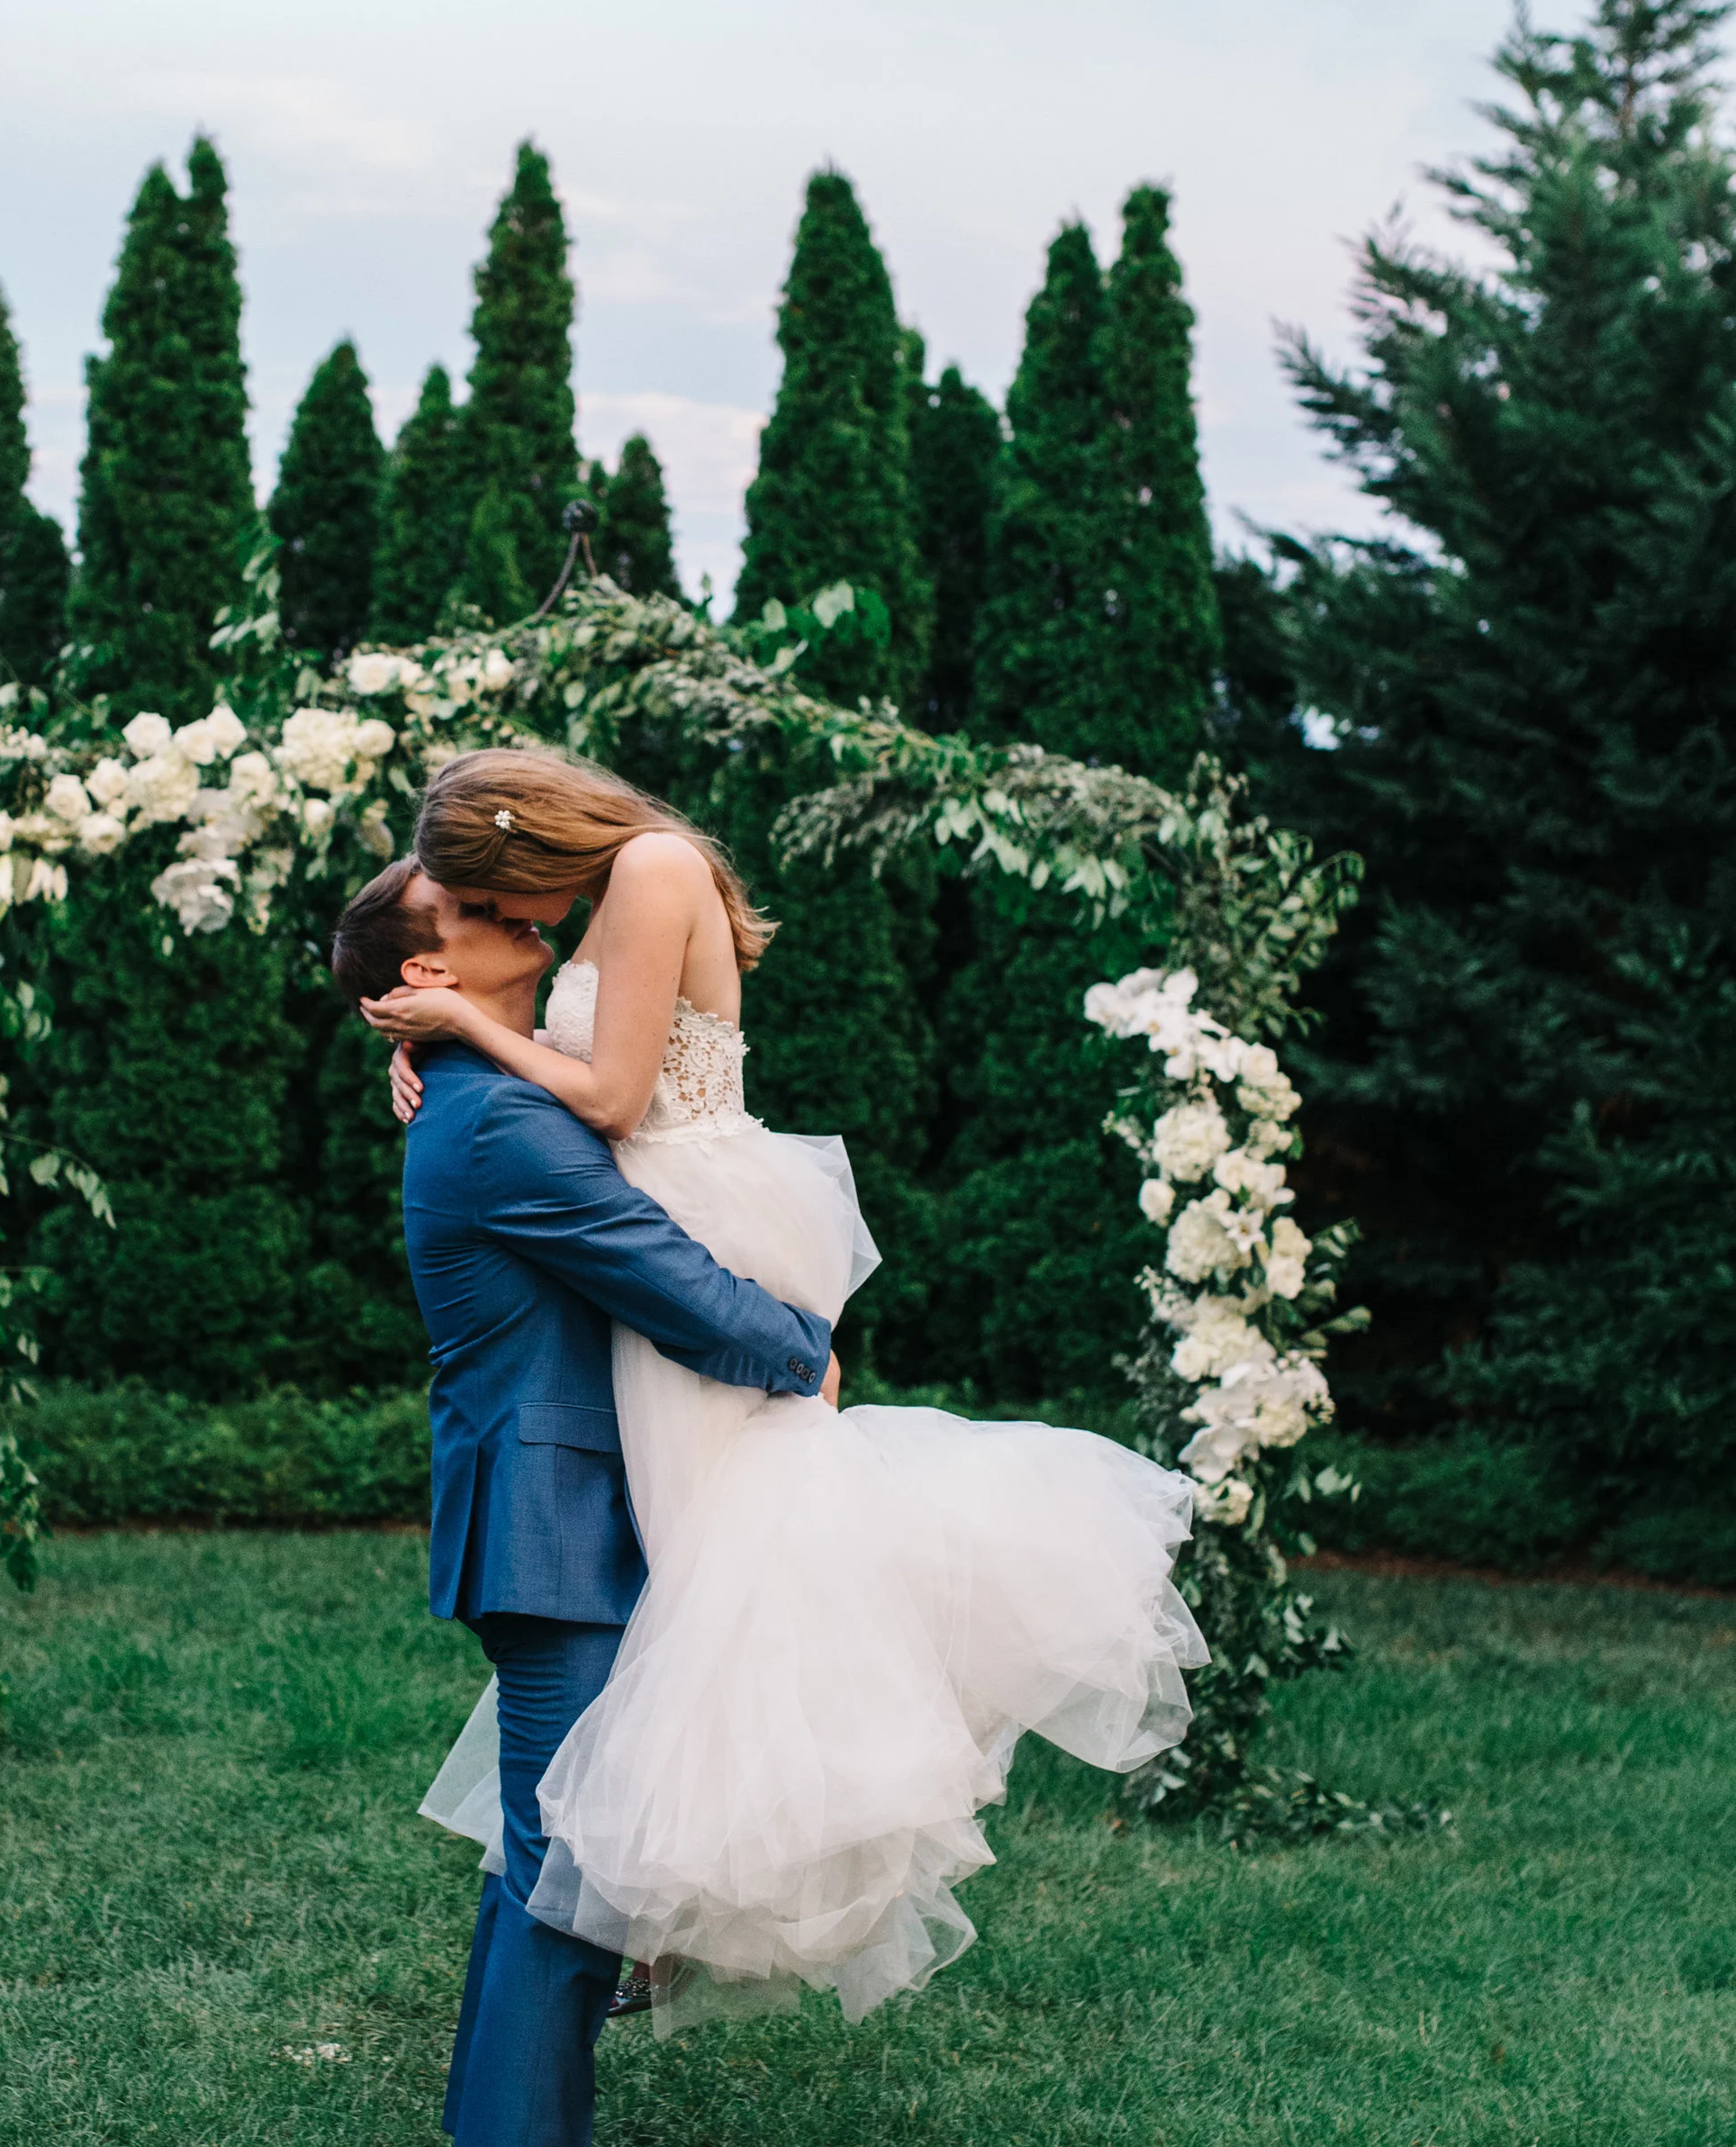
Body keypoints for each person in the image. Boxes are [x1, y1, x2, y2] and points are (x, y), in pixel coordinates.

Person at [362, 747, 1207, 2038]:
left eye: (491, 890)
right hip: (674, 1226)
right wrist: (455, 1048)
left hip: (699, 1222)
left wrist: (467, 1029)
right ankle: (657, 1899)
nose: (512, 918)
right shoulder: (618, 888)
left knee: (736, 1574)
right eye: (482, 908)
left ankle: (674, 1890)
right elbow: (570, 1094)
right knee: (714, 1590)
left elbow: (609, 1097)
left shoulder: (646, 867)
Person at [329, 852, 838, 2147]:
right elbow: (654, 1271)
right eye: (468, 915)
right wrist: (796, 1343)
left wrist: (446, 1046)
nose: (505, 911)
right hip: (549, 1531)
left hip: (562, 1515)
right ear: (417, 980)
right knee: (572, 1876)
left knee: (542, 1867)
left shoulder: (489, 1080)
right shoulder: (492, 1125)